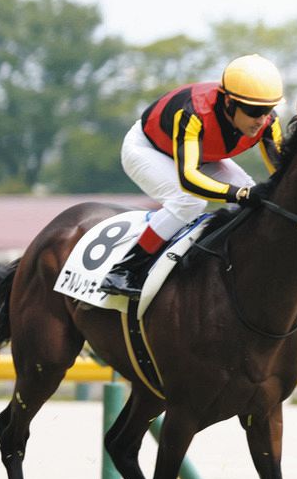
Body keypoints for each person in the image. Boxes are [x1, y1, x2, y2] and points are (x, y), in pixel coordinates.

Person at [99, 54, 286, 297]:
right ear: (229, 102)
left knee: (251, 195)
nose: (261, 120)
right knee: (189, 201)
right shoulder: (194, 112)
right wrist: (239, 194)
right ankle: (125, 269)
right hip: (147, 149)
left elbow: (282, 174)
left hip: (200, 155)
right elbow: (189, 179)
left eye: (267, 110)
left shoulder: (268, 123)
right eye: (253, 111)